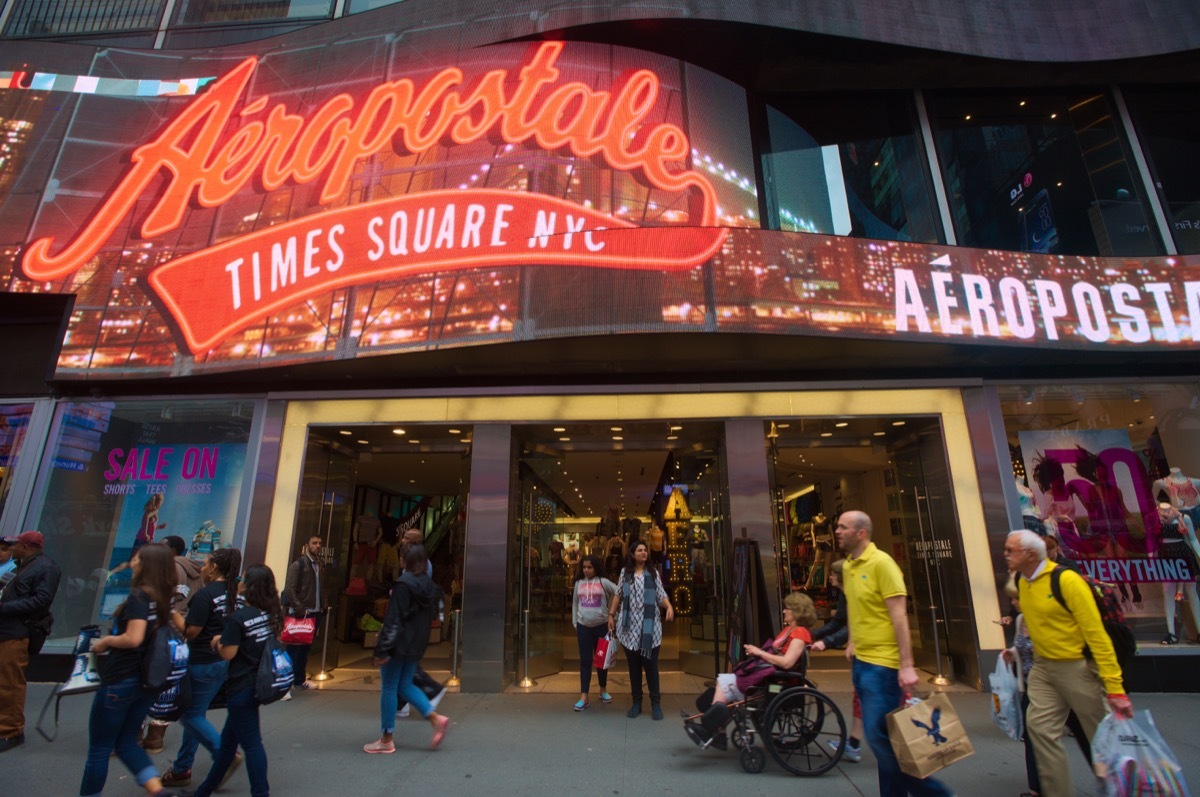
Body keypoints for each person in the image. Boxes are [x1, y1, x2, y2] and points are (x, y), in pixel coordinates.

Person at [1004, 529, 1133, 797]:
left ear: (1030, 554)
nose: (1005, 555)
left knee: (1101, 738)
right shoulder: (1022, 582)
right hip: (1043, 667)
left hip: (1077, 667)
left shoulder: (1067, 581)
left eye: (1010, 550)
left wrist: (1115, 687)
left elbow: (1097, 635)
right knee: (1038, 731)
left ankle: (1123, 788)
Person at [836, 510, 953, 797]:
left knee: (877, 737)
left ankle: (936, 793)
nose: (837, 531)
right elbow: (853, 604)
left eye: (843, 527)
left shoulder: (882, 564)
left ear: (861, 532)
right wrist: (852, 640)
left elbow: (899, 616)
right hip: (862, 662)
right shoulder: (849, 566)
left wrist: (907, 665)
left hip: (883, 665)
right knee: (887, 737)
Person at [80, 543, 183, 797]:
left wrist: (104, 642)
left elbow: (133, 638)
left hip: (121, 677)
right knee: (126, 742)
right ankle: (156, 790)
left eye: (138, 558)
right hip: (146, 681)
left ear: (147, 565)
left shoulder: (139, 596)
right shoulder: (164, 598)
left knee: (100, 749)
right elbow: (181, 627)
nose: (132, 561)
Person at [184, 564, 283, 797]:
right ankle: (204, 790)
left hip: (240, 688)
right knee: (228, 745)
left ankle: (261, 793)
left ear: (248, 586)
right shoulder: (270, 615)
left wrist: (217, 641)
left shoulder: (239, 618)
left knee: (252, 744)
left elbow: (228, 653)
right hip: (257, 684)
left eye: (242, 579)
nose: (237, 582)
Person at [685, 592, 816, 748]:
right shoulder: (789, 630)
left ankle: (714, 729)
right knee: (726, 683)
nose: (784, 611)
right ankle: (716, 728)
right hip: (772, 676)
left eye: (787, 608)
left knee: (725, 683)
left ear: (796, 611)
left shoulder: (799, 633)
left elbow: (787, 663)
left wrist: (759, 652)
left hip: (778, 683)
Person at [160, 548, 244, 788]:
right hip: (224, 661)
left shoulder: (205, 596)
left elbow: (191, 631)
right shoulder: (234, 595)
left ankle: (224, 755)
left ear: (215, 568)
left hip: (203, 663)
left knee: (190, 715)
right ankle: (182, 767)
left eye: (206, 564)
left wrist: (172, 612)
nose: (202, 568)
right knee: (196, 712)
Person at [1001, 583, 1091, 797]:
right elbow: (1021, 646)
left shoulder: (1047, 616)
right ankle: (1037, 788)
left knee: (1086, 734)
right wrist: (1013, 653)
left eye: (1016, 598)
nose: (1013, 603)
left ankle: (1111, 776)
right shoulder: (1022, 619)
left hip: (1064, 683)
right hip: (1034, 685)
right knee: (1034, 732)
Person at [363, 544, 451, 754]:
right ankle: (434, 717)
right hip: (415, 645)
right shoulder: (429, 586)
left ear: (405, 561)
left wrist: (382, 649)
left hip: (398, 645)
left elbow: (394, 620)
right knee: (404, 684)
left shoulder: (403, 585)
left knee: (390, 687)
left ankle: (386, 738)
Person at [142, 535, 208, 756]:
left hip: (158, 630)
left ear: (171, 550)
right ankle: (155, 736)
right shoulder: (197, 574)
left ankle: (133, 732)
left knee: (145, 680)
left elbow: (153, 601)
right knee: (169, 683)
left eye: (161, 547)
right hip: (181, 632)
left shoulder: (165, 569)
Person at [0, 531, 61, 753]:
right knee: (4, 681)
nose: (10, 548)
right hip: (7, 629)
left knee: (9, 682)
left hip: (17, 631)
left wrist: (3, 607)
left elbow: (41, 601)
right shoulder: (23, 565)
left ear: (25, 547)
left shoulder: (45, 567)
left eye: (14, 545)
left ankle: (11, 731)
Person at [607, 540, 673, 720]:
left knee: (651, 667)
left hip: (650, 628)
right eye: (640, 550)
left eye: (645, 550)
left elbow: (661, 594)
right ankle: (636, 703)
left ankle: (656, 704)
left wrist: (669, 607)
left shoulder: (653, 573)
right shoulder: (625, 573)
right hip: (629, 628)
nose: (644, 553)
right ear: (632, 554)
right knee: (634, 668)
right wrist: (611, 615)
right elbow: (618, 594)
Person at [809, 559, 864, 763]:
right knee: (862, 698)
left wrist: (826, 642)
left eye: (831, 574)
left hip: (870, 652)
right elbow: (839, 621)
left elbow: (852, 626)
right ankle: (855, 744)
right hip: (862, 652)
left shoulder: (854, 594)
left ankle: (909, 733)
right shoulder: (845, 594)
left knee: (870, 697)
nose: (829, 577)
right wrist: (816, 635)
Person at [571, 554, 617, 711]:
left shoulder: (603, 582)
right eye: (584, 567)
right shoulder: (578, 583)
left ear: (596, 567)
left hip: (601, 627)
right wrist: (575, 622)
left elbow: (618, 593)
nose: (586, 570)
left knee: (601, 661)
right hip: (583, 627)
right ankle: (584, 696)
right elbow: (575, 604)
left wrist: (612, 614)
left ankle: (603, 690)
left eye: (589, 567)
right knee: (585, 661)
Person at [281, 535, 325, 693]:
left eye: (320, 543)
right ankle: (285, 685)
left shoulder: (318, 564)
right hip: (302, 613)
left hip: (315, 613)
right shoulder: (298, 564)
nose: (318, 546)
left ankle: (299, 680)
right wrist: (301, 609)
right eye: (314, 543)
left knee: (305, 648)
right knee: (293, 649)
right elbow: (290, 590)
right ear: (307, 545)